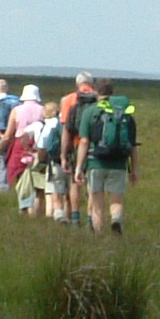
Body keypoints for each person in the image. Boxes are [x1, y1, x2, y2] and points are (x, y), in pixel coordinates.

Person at [76, 79, 139, 235]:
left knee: (97, 201)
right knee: (116, 198)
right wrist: (135, 170)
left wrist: (79, 167)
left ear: (96, 92)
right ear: (112, 92)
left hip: (95, 161)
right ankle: (116, 219)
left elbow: (84, 141)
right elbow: (132, 145)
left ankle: (99, 234)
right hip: (119, 162)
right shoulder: (125, 113)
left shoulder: (90, 111)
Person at [58, 73, 98, 226]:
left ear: (77, 84)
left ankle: (75, 217)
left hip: (76, 144)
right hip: (95, 146)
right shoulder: (98, 98)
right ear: (92, 84)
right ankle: (90, 219)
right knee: (92, 184)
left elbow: (66, 130)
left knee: (75, 181)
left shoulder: (69, 100)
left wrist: (63, 155)